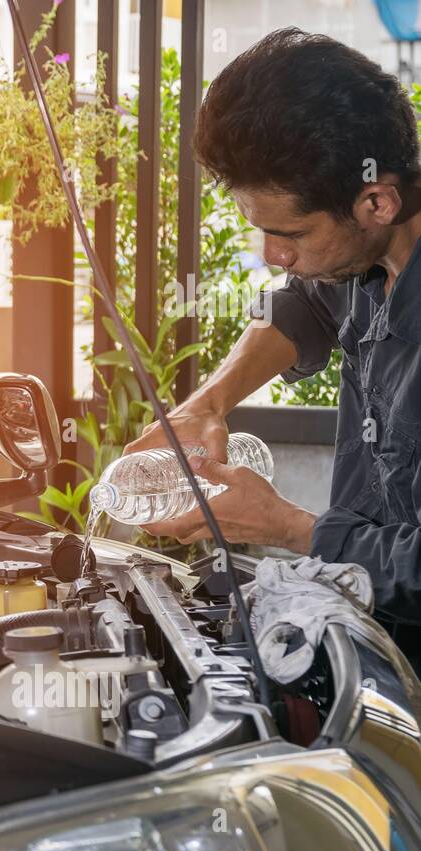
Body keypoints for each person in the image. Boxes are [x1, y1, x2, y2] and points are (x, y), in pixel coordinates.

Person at [126, 28, 421, 661]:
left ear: (377, 200)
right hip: (369, 646)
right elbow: (301, 305)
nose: (274, 256)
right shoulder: (359, 258)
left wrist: (290, 528)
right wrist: (207, 404)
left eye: (292, 234)